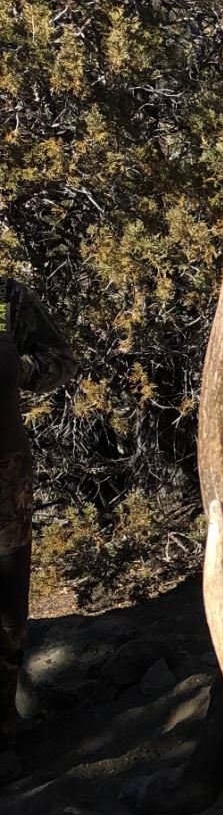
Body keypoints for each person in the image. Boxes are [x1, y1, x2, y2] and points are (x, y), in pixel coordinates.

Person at [0, 274, 76, 779]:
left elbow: (63, 361)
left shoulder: (10, 297)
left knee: (6, 603)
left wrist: (21, 368)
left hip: (3, 472)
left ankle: (1, 728)